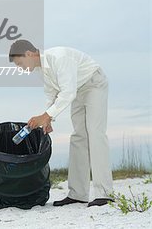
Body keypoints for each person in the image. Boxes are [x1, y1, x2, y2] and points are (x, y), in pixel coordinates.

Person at [9, 39, 114, 207]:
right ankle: (78, 194)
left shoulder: (59, 58)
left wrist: (45, 115)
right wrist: (48, 119)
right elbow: (52, 93)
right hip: (78, 90)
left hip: (94, 83)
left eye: (20, 63)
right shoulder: (41, 69)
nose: (20, 68)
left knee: (95, 133)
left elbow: (67, 92)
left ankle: (105, 194)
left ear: (29, 54)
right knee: (78, 137)